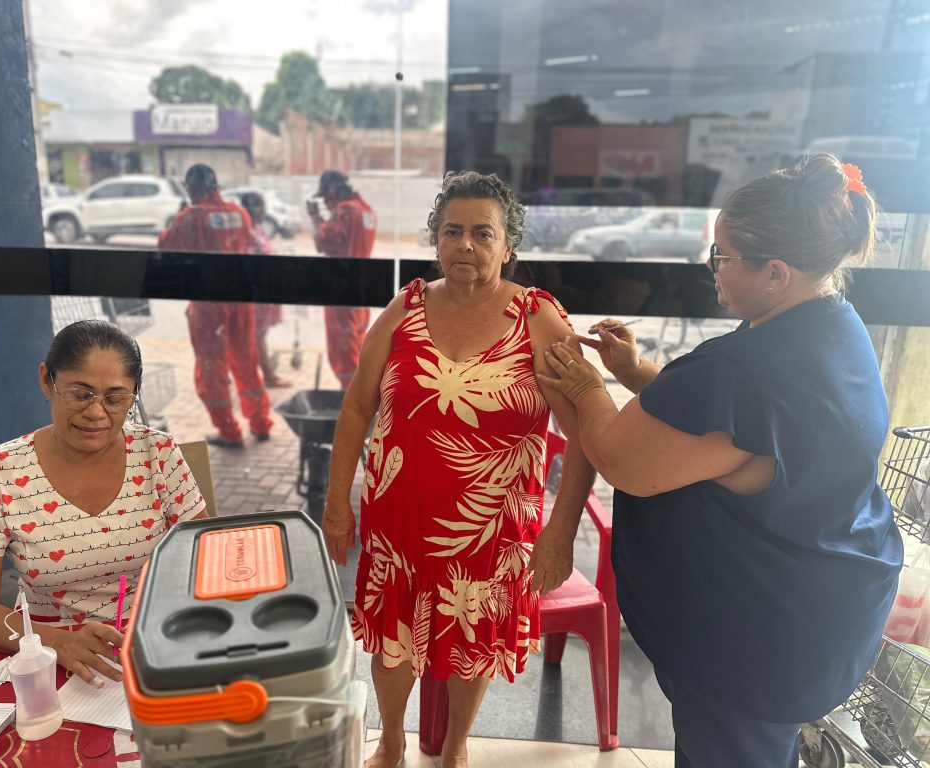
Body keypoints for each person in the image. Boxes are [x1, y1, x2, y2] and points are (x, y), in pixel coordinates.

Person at [539, 154, 903, 767]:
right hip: (818, 609)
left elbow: (624, 459)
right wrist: (634, 372)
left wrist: (584, 387)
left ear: (776, 273)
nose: (711, 268)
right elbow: (724, 431)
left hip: (759, 643)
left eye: (722, 256)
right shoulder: (830, 327)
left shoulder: (750, 372)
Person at [322, 171, 596, 768]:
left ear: (508, 245)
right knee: (393, 640)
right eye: (452, 231)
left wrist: (561, 531)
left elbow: (585, 433)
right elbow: (356, 409)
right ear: (435, 240)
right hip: (398, 524)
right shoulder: (406, 308)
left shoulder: (539, 320)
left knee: (472, 638)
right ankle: (391, 742)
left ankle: (454, 748)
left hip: (489, 530)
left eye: (482, 233)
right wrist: (336, 502)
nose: (465, 244)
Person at [0, 320, 208, 685]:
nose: (96, 413)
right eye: (80, 394)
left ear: (135, 392)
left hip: (152, 640)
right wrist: (56, 643)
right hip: (46, 649)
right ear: (47, 380)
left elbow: (208, 558)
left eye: (115, 399)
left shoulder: (158, 453)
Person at [160, 164, 273, 446]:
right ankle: (260, 423)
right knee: (246, 361)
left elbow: (167, 248)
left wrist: (175, 219)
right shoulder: (239, 213)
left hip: (209, 301)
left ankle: (229, 431)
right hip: (240, 299)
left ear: (193, 187)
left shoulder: (192, 216)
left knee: (211, 367)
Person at [308, 169, 377, 389]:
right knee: (357, 342)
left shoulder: (345, 210)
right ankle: (358, 395)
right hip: (361, 287)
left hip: (341, 288)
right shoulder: (366, 210)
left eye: (326, 198)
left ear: (333, 191)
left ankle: (350, 398)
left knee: (343, 350)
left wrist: (315, 217)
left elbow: (322, 243)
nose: (326, 203)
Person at [241, 191, 292, 388]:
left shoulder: (258, 228)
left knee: (258, 335)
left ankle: (262, 373)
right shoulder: (246, 232)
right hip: (255, 292)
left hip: (264, 289)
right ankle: (267, 376)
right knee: (256, 335)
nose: (264, 212)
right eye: (260, 207)